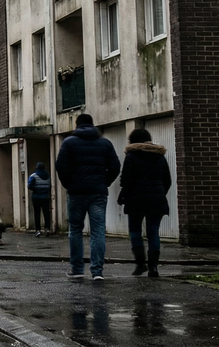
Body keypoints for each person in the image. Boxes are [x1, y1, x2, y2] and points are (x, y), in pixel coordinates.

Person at [55, 113, 120, 280]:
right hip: (97, 192)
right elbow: (115, 166)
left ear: (77, 125)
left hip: (76, 192)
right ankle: (97, 271)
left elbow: (60, 166)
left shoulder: (69, 143)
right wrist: (104, 182)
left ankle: (77, 269)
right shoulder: (105, 143)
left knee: (75, 229)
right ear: (93, 125)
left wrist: (69, 184)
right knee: (98, 231)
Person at [118, 128, 172, 277]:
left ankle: (140, 264)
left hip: (136, 200)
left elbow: (125, 180)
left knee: (135, 231)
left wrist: (127, 195)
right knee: (153, 232)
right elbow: (167, 180)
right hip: (157, 200)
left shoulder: (131, 156)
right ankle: (153, 267)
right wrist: (159, 193)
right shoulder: (159, 156)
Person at [27, 162, 53, 236]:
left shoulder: (33, 176)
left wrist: (36, 189)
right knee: (46, 213)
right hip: (46, 197)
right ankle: (47, 229)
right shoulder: (48, 176)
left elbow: (29, 186)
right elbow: (50, 186)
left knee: (37, 213)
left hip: (36, 197)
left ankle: (38, 230)